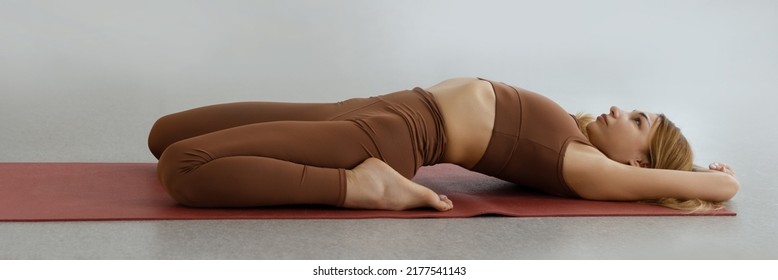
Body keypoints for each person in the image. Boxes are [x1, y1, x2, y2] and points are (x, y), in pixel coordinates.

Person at [148, 77, 739, 212]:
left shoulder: (588, 167)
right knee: (164, 135)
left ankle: (360, 187)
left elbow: (721, 187)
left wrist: (714, 177)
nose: (619, 108)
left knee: (184, 166)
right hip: (374, 106)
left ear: (637, 161)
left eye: (637, 119)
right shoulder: (576, 134)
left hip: (386, 138)